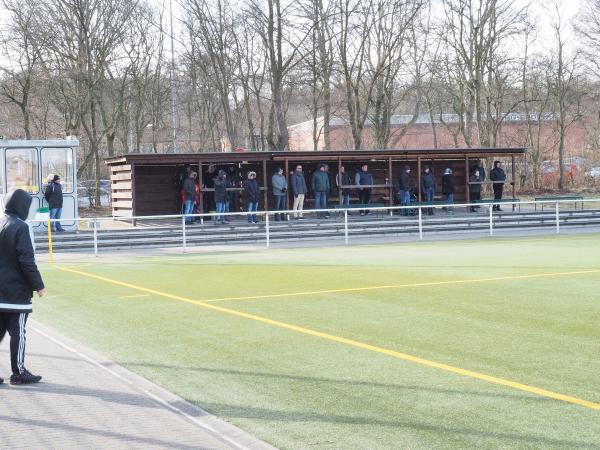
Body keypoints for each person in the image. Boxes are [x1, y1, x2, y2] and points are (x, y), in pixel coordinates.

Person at [0, 189, 45, 385]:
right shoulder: (20, 226)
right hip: (15, 293)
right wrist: (39, 285)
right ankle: (18, 372)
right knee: (18, 332)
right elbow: (27, 260)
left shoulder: (1, 222)